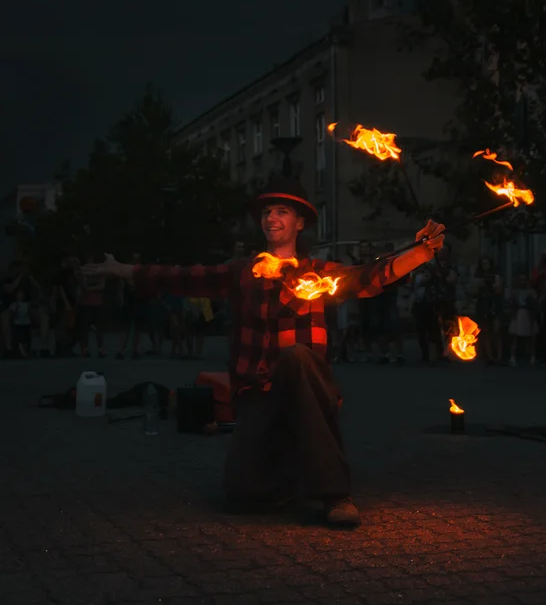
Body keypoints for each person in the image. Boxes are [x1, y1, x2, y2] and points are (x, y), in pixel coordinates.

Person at [84, 176, 445, 527]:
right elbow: (183, 276)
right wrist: (124, 269)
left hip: (308, 391)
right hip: (259, 393)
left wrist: (421, 252)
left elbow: (372, 277)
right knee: (241, 495)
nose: (271, 218)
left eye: (282, 212)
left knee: (297, 355)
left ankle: (334, 494)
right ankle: (289, 472)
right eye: (267, 212)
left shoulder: (320, 273)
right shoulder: (244, 272)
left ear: (300, 222)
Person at [471, 256, 503, 364]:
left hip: (494, 303)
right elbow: (474, 293)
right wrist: (478, 286)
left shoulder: (496, 276)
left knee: (496, 330)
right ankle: (490, 357)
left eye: (487, 264)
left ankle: (499, 356)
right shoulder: (478, 277)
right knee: (485, 331)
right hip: (483, 304)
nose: (485, 266)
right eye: (483, 264)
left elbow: (499, 291)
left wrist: (495, 285)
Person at [77, 252, 107, 358]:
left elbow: (101, 286)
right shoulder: (82, 271)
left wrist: (90, 288)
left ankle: (100, 348)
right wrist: (93, 286)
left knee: (99, 327)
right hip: (85, 302)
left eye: (91, 257)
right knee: (84, 327)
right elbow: (84, 284)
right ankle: (85, 349)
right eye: (88, 258)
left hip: (97, 302)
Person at [509, 272, 538, 366]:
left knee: (529, 337)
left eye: (524, 279)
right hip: (518, 314)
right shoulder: (514, 291)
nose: (522, 282)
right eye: (520, 279)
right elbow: (512, 303)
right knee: (515, 337)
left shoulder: (531, 292)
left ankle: (532, 357)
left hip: (528, 314)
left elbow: (535, 304)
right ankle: (512, 357)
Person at [10, 288, 32, 358]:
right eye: (18, 294)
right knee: (19, 337)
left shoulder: (27, 304)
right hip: (17, 324)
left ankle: (26, 351)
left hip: (26, 323)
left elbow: (30, 314)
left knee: (26, 338)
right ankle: (20, 351)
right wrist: (16, 309)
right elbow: (13, 315)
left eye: (21, 294)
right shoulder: (13, 304)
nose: (20, 296)